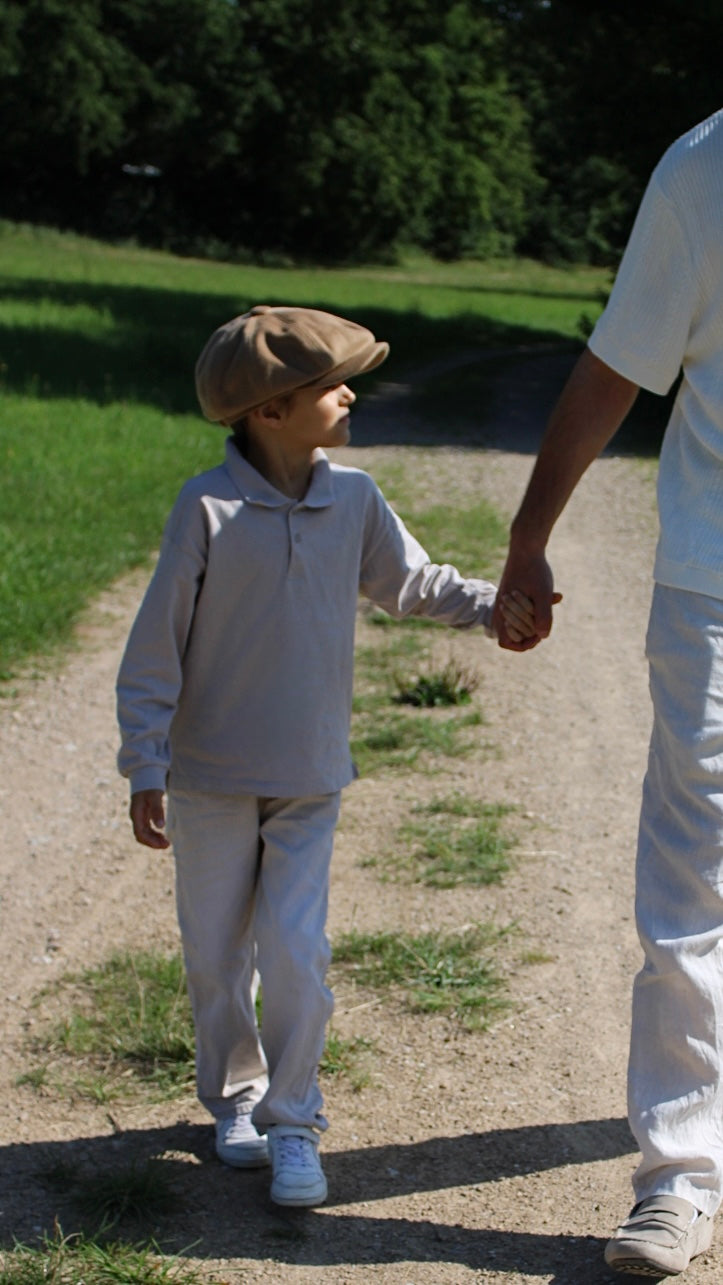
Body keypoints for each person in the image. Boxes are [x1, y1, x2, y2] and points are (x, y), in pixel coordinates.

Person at [116, 303, 535, 1209]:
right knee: (216, 955)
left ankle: (295, 1121)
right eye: (330, 386)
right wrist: (144, 760)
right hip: (210, 779)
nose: (350, 395)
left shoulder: (353, 497)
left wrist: (490, 604)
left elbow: (410, 584)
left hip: (310, 774)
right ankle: (236, 1096)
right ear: (268, 410)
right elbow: (156, 644)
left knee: (297, 952)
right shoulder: (207, 508)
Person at [494, 106, 723, 1277]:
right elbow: (619, 361)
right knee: (694, 884)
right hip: (715, 579)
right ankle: (682, 1175)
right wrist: (532, 534)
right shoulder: (707, 169)